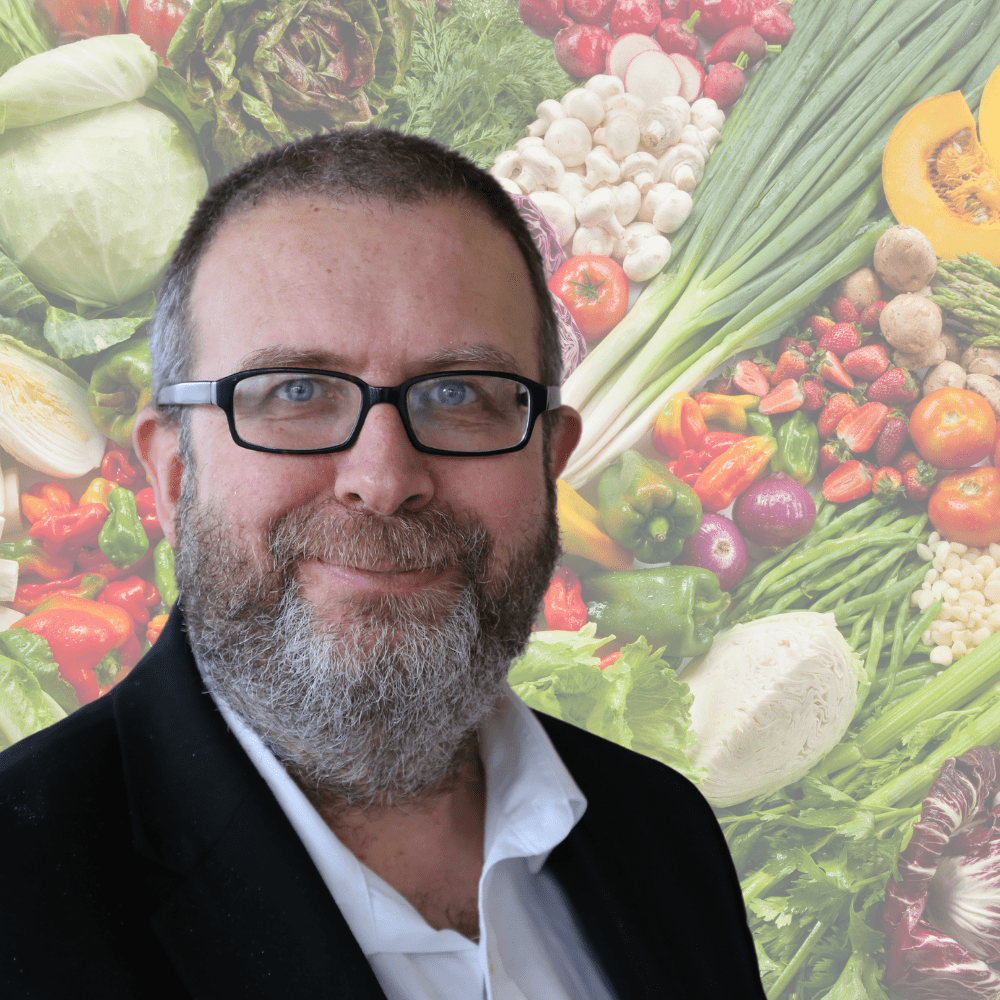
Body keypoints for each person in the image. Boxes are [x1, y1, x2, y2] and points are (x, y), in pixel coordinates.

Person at [0, 128, 765, 999]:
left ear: (549, 461)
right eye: (295, 391)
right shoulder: (19, 894)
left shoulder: (666, 833)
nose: (384, 479)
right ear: (172, 472)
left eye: (460, 395)